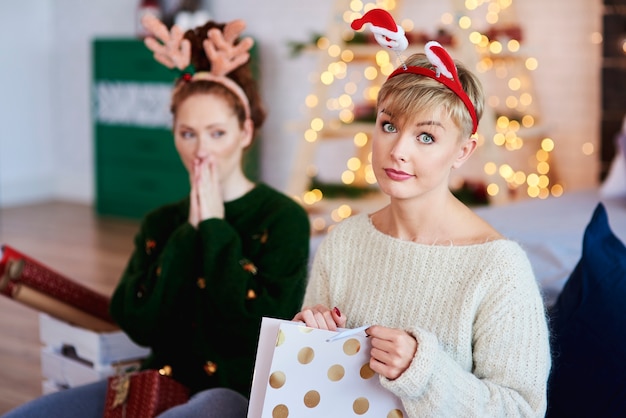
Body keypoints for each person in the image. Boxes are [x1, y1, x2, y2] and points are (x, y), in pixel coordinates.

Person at [3, 15, 310, 418]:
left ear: (245, 132)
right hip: (155, 384)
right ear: (175, 134)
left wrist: (216, 229)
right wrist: (188, 235)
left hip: (237, 392)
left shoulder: (283, 217)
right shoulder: (162, 222)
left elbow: (253, 331)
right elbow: (137, 322)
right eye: (188, 133)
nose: (202, 150)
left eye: (217, 133)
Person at [293, 14, 551, 418]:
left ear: (463, 151)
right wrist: (308, 341)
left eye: (426, 136)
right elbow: (310, 392)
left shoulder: (498, 268)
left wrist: (424, 371)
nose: (398, 150)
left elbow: (521, 411)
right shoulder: (343, 242)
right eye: (389, 125)